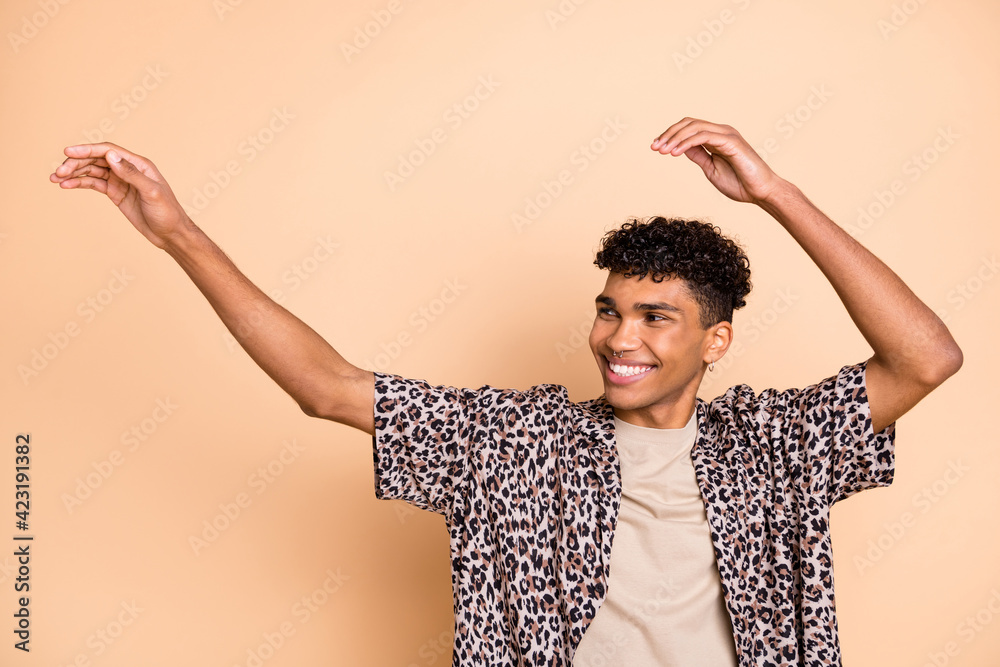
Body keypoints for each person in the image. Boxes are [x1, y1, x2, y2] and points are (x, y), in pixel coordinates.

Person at [50, 118, 962, 666]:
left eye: (656, 317)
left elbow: (927, 358)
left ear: (715, 340)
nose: (620, 338)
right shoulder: (517, 438)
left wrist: (774, 192)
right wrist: (177, 234)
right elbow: (326, 386)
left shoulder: (770, 443)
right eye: (609, 311)